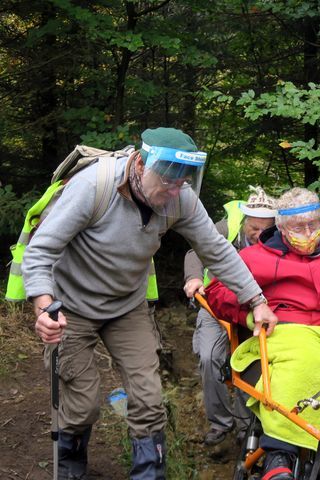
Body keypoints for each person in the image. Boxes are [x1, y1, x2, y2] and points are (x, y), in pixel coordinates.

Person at [22, 127, 278, 480]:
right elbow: (41, 249)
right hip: (72, 307)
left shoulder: (181, 198)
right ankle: (70, 469)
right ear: (140, 164)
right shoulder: (94, 187)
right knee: (82, 405)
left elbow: (216, 251)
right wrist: (43, 307)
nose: (172, 191)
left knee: (148, 399)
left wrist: (257, 300)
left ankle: (148, 474)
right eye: (167, 181)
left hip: (127, 306)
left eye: (181, 183)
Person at [205, 187, 320, 480]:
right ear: (280, 227)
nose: (306, 233)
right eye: (296, 227)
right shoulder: (256, 256)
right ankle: (279, 453)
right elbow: (218, 290)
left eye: (312, 225)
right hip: (285, 329)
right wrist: (252, 311)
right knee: (299, 364)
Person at [183, 186, 277, 447]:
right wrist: (192, 279)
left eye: (265, 230)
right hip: (215, 305)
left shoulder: (280, 240)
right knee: (209, 357)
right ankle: (220, 422)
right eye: (254, 228)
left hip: (252, 310)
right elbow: (195, 251)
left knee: (249, 363)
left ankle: (247, 426)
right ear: (245, 221)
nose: (259, 235)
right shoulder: (226, 228)